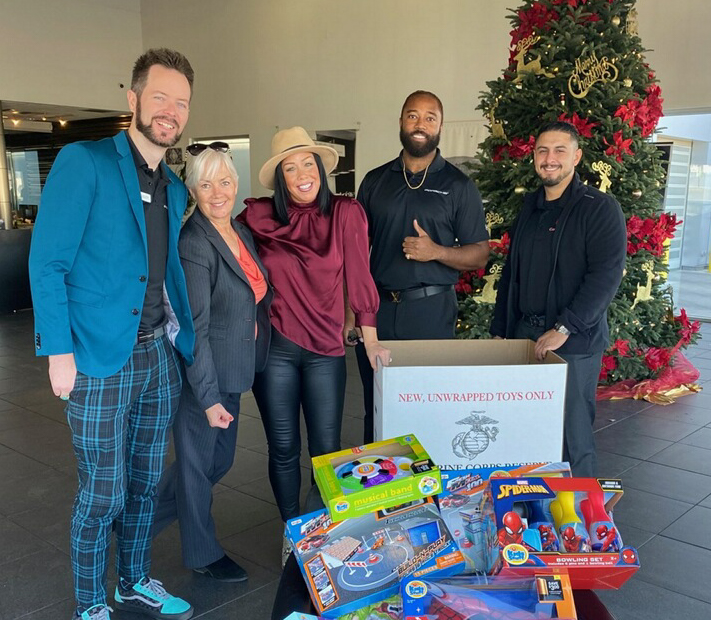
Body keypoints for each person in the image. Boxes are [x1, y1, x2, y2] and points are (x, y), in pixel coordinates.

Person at [28, 49, 197, 620]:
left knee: (147, 481)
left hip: (157, 355)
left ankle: (132, 582)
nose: (170, 112)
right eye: (160, 98)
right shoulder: (86, 162)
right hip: (97, 359)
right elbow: (47, 261)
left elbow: (170, 270)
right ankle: (87, 606)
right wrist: (58, 352)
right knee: (103, 491)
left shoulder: (174, 187)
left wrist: (185, 343)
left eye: (180, 102)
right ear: (133, 99)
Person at [237, 127, 389, 522]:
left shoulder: (345, 212)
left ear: (321, 169)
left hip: (325, 350)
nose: (302, 173)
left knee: (326, 449)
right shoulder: (257, 217)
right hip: (275, 350)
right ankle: (291, 531)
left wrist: (370, 340)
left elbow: (360, 276)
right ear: (280, 178)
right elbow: (222, 251)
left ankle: (323, 530)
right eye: (291, 167)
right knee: (283, 447)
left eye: (309, 163)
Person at [153, 144, 272, 582]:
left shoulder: (240, 233)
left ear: (236, 185)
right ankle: (203, 553)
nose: (217, 192)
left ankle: (134, 520)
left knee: (210, 464)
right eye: (205, 184)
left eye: (224, 181)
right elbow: (193, 327)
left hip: (234, 370)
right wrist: (205, 395)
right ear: (193, 190)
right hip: (204, 376)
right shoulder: (194, 243)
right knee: (199, 465)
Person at [490, 121, 626, 477]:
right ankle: (532, 512)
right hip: (524, 336)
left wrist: (565, 327)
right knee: (524, 429)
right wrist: (501, 331)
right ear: (534, 157)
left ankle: (583, 522)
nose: (550, 159)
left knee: (572, 437)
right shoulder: (529, 208)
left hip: (574, 343)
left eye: (559, 150)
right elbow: (511, 274)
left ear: (576, 157)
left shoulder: (599, 208)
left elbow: (605, 277)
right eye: (542, 151)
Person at [353, 90, 490, 442]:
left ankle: (427, 491)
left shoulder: (459, 186)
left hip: (430, 311)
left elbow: (479, 254)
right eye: (413, 115)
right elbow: (353, 251)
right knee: (377, 404)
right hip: (378, 310)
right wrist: (347, 313)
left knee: (427, 405)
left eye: (430, 117)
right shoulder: (374, 181)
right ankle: (380, 487)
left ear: (440, 126)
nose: (420, 124)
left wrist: (436, 252)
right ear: (401, 121)